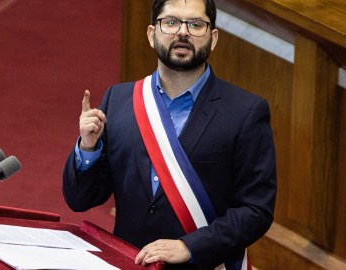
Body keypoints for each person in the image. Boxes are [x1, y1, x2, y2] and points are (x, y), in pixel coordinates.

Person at [62, 0, 277, 269]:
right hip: (129, 262)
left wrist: (190, 246)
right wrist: (87, 147)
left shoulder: (246, 112)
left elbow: (256, 211)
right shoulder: (118, 100)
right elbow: (80, 200)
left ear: (213, 39)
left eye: (196, 24)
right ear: (152, 35)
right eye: (171, 22)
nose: (183, 32)